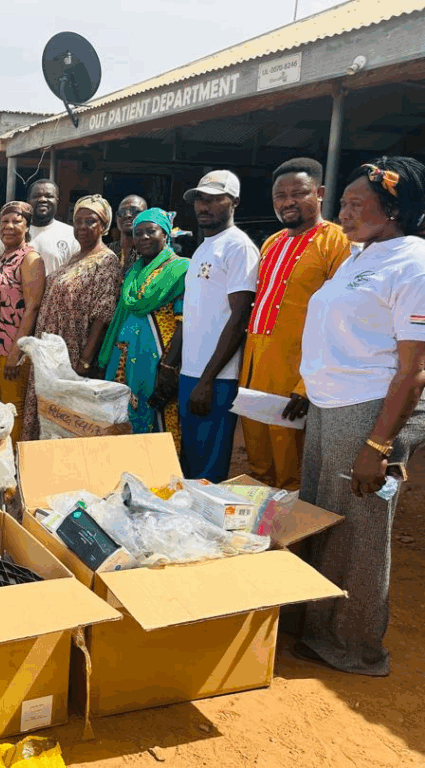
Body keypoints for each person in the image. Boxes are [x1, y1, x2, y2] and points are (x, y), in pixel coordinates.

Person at [293, 157, 425, 678]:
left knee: (361, 532)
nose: (342, 214)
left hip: (369, 411)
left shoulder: (413, 263)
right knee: (324, 519)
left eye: (355, 205)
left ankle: (357, 645)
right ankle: (318, 627)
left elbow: (414, 371)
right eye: (342, 204)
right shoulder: (360, 255)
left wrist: (378, 446)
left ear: (393, 209)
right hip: (330, 407)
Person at [239, 158, 349, 490]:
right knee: (258, 466)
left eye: (298, 193)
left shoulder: (337, 242)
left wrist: (306, 385)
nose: (288, 202)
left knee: (293, 471)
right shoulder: (271, 243)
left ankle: (294, 526)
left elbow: (341, 319)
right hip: (255, 375)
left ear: (320, 193)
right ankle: (262, 523)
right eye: (280, 196)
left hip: (296, 377)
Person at [179, 171, 259, 482]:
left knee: (208, 472)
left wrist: (207, 380)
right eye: (200, 199)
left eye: (214, 199)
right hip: (192, 374)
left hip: (217, 378)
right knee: (190, 464)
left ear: (234, 201)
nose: (204, 206)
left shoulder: (238, 247)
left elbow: (239, 318)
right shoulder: (204, 247)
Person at [22, 195, 121, 441]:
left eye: (91, 221)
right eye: (78, 221)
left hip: (72, 351)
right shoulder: (75, 257)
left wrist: (85, 361)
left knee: (63, 420)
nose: (82, 227)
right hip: (50, 351)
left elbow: (102, 316)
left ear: (104, 226)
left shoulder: (107, 261)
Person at [100, 208, 188, 442]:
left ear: (165, 234)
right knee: (122, 422)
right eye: (138, 233)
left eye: (151, 231)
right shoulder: (133, 273)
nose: (144, 237)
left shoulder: (181, 269)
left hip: (160, 359)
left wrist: (168, 367)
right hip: (124, 358)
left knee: (156, 423)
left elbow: (184, 323)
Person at [0, 201, 45, 443]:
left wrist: (16, 352)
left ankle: (14, 461)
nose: (9, 226)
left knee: (13, 409)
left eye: (16, 221)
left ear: (27, 226)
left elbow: (32, 307)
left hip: (11, 349)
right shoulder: (0, 258)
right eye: (4, 221)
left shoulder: (30, 259)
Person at [0, 180, 79, 274]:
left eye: (49, 196)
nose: (42, 199)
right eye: (36, 196)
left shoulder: (71, 234)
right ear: (28, 201)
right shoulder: (9, 233)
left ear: (57, 201)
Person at [110, 195, 148, 276]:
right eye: (122, 212)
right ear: (116, 218)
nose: (127, 215)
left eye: (135, 211)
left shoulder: (150, 254)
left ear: (147, 216)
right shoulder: (107, 251)